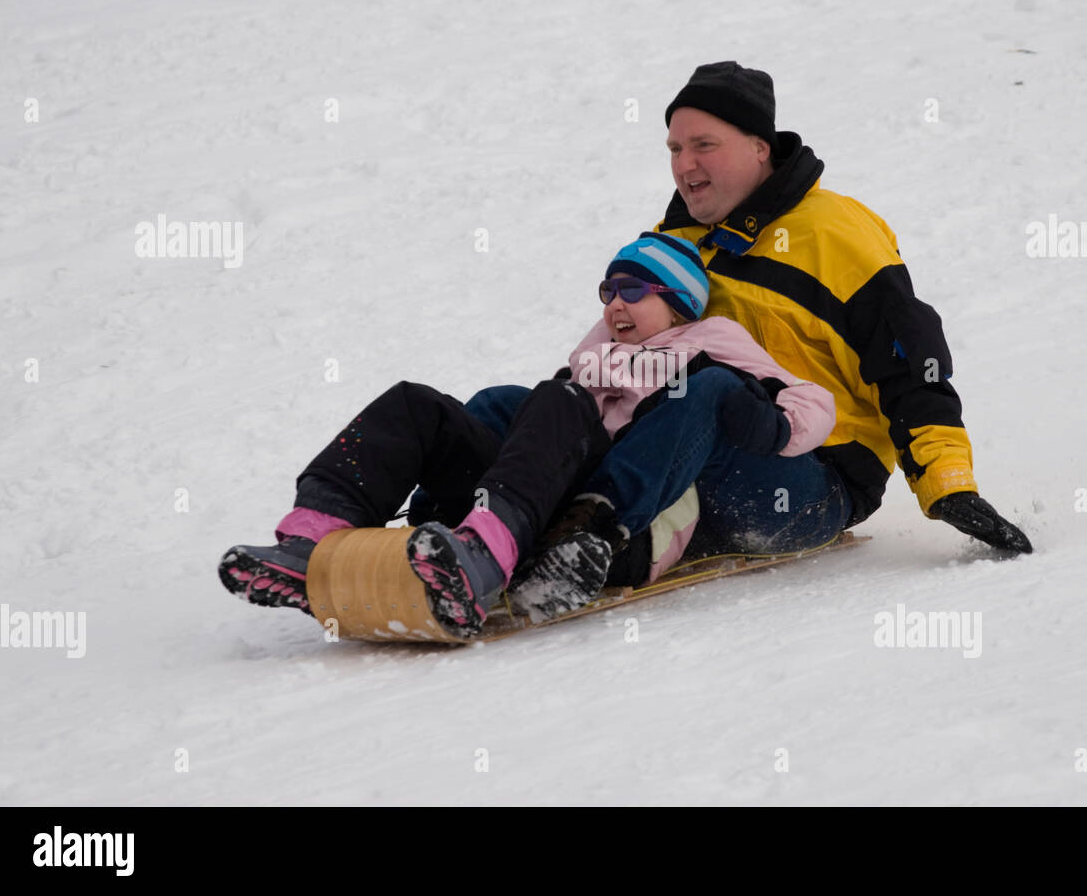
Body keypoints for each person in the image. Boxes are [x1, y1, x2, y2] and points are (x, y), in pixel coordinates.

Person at [475, 61, 1033, 609]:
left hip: (810, 475)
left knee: (706, 392)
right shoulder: (678, 241)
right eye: (674, 149)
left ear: (759, 147)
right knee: (511, 405)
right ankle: (469, 528)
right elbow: (616, 354)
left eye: (704, 145)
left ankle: (593, 541)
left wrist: (948, 483)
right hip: (672, 446)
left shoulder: (836, 233)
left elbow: (911, 362)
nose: (684, 164)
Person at [218, 232, 836, 635]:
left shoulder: (710, 344)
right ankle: (312, 540)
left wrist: (772, 425)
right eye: (607, 291)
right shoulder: (592, 359)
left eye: (632, 291)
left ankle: (487, 556)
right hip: (551, 497)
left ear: (677, 303)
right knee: (431, 405)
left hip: (615, 525)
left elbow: (812, 403)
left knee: (562, 398)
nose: (614, 305)